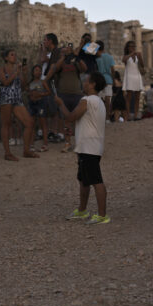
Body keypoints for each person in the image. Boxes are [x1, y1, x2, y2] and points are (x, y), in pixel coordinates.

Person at [56, 72, 110, 225]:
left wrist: (60, 104)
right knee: (84, 180)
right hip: (91, 146)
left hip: (88, 148)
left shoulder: (87, 100)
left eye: (87, 81)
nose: (84, 83)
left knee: (96, 180)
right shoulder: (99, 102)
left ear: (92, 84)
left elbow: (70, 117)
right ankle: (82, 210)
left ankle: (102, 215)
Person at [0, 49, 38, 161]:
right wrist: (16, 72)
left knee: (29, 123)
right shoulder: (2, 69)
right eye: (12, 55)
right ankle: (7, 153)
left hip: (17, 99)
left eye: (15, 54)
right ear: (6, 58)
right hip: (6, 98)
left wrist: (24, 72)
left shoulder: (18, 70)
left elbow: (23, 86)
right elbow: (5, 82)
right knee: (6, 124)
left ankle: (26, 151)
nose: (14, 57)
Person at [51, 44, 87, 152]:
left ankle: (79, 142)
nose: (65, 52)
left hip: (76, 93)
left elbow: (85, 68)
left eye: (66, 50)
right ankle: (67, 142)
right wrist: (63, 57)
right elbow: (55, 69)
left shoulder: (75, 61)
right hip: (64, 94)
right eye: (63, 51)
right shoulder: (60, 63)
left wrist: (76, 57)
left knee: (78, 119)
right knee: (66, 120)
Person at [40, 33, 62, 144]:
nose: (44, 42)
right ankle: (51, 132)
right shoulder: (53, 52)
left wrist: (46, 80)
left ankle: (54, 131)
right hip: (49, 82)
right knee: (50, 108)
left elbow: (52, 66)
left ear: (50, 41)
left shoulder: (56, 52)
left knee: (54, 108)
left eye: (45, 40)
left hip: (52, 83)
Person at [26, 65, 51, 152]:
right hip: (32, 104)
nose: (38, 72)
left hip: (41, 103)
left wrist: (40, 94)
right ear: (33, 72)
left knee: (43, 123)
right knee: (32, 124)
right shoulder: (30, 83)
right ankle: (31, 144)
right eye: (36, 70)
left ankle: (45, 144)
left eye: (40, 70)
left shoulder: (43, 82)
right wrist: (30, 94)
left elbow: (49, 92)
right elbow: (27, 92)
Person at [122, 40, 145, 120]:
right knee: (129, 97)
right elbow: (123, 60)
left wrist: (140, 57)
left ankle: (135, 115)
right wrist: (131, 54)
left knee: (137, 97)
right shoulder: (126, 56)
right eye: (131, 46)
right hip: (129, 76)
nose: (132, 48)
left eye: (133, 46)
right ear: (128, 48)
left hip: (137, 76)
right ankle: (128, 115)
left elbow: (142, 65)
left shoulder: (137, 55)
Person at [95, 40, 115, 121]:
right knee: (108, 100)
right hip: (108, 79)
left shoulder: (96, 57)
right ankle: (107, 118)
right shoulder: (109, 57)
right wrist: (113, 80)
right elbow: (112, 70)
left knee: (98, 100)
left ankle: (99, 118)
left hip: (99, 79)